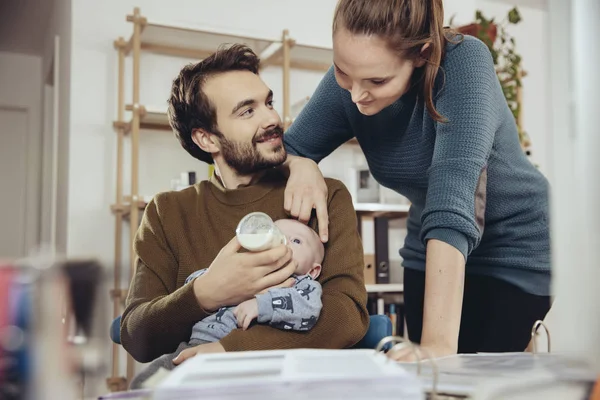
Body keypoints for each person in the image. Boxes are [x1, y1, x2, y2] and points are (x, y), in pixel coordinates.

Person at [282, 0, 552, 359]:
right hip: (429, 248)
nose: (356, 95)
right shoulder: (351, 83)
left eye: (377, 80)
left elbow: (452, 195)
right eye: (342, 72)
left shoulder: (464, 63)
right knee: (424, 379)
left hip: (515, 246)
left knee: (469, 376)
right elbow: (290, 148)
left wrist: (437, 348)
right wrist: (302, 164)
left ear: (423, 54)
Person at [120, 43, 369, 378]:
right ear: (207, 139)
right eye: (247, 111)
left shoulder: (323, 194)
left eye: (268, 103)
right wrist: (206, 293)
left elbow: (347, 315)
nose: (272, 119)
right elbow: (137, 335)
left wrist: (229, 351)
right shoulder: (167, 212)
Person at [130, 217, 326, 389]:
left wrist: (261, 305)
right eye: (278, 236)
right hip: (193, 347)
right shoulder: (242, 267)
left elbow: (308, 308)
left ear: (313, 271)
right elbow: (199, 282)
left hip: (243, 358)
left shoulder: (302, 284)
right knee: (149, 382)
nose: (284, 245)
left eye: (296, 241)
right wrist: (204, 284)